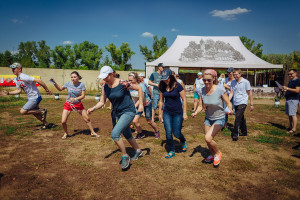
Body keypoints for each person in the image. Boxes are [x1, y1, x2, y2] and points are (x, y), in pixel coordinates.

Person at [87, 66, 144, 169]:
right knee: (126, 133)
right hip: (117, 112)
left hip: (128, 111)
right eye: (103, 77)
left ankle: (125, 156)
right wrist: (93, 108)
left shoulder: (123, 83)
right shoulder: (105, 86)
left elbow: (139, 88)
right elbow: (102, 101)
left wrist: (140, 105)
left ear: (111, 74)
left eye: (106, 76)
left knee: (115, 134)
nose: (104, 79)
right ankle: (138, 151)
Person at [192, 69, 233, 168]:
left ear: (214, 78)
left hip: (219, 118)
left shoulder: (220, 89)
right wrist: (196, 112)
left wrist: (230, 109)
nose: (206, 82)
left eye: (209, 80)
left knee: (208, 138)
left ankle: (218, 153)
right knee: (208, 140)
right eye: (204, 80)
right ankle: (212, 155)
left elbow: (228, 102)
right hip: (208, 118)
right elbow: (201, 106)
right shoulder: (202, 90)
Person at [0, 63, 52, 129]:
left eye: (14, 68)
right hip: (32, 98)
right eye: (12, 69)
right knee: (34, 112)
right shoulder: (17, 79)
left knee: (23, 111)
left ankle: (42, 111)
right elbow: (19, 90)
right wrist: (8, 93)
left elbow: (39, 80)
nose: (13, 70)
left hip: (35, 97)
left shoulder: (23, 76)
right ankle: (46, 124)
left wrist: (47, 89)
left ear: (19, 69)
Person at [50, 71, 99, 139]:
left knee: (87, 119)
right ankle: (66, 133)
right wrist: (54, 82)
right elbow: (60, 89)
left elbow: (83, 96)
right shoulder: (68, 84)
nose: (73, 78)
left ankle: (93, 132)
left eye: (75, 77)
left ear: (78, 77)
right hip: (68, 104)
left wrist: (75, 99)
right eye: (72, 77)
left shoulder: (82, 85)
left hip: (78, 104)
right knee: (63, 121)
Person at [158, 68, 188, 159]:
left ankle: (183, 141)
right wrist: (160, 113)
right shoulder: (162, 86)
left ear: (170, 77)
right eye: (163, 79)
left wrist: (185, 113)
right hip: (167, 112)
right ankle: (172, 150)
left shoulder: (177, 86)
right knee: (168, 132)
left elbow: (184, 99)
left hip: (177, 112)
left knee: (177, 133)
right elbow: (161, 101)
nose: (165, 80)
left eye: (167, 78)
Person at [128, 72, 160, 139]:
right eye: (129, 80)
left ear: (136, 79)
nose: (130, 82)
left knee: (149, 121)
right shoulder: (130, 86)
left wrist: (133, 107)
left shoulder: (141, 86)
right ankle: (141, 133)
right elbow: (132, 97)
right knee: (135, 121)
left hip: (146, 104)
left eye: (131, 80)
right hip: (137, 105)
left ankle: (157, 131)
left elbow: (141, 99)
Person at [229, 69, 254, 141]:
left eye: (236, 74)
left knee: (237, 117)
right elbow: (231, 93)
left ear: (240, 74)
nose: (235, 76)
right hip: (236, 102)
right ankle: (244, 131)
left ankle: (235, 134)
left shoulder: (246, 82)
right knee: (241, 117)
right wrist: (227, 101)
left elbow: (250, 93)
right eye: (234, 75)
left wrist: (251, 104)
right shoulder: (233, 82)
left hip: (243, 102)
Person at [282, 69, 300, 134]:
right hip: (288, 99)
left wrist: (287, 88)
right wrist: (285, 90)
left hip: (293, 99)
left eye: (291, 74)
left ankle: (294, 129)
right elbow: (290, 90)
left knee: (293, 114)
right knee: (289, 114)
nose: (290, 75)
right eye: (289, 74)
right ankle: (290, 126)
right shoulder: (291, 81)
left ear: (295, 73)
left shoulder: (297, 81)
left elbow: (297, 90)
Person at [148, 63, 165, 129]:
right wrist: (156, 84)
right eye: (162, 67)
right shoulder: (154, 74)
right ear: (159, 67)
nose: (163, 68)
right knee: (154, 106)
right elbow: (149, 82)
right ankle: (152, 118)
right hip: (156, 92)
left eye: (164, 67)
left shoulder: (164, 74)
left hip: (163, 93)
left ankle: (161, 118)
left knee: (163, 106)